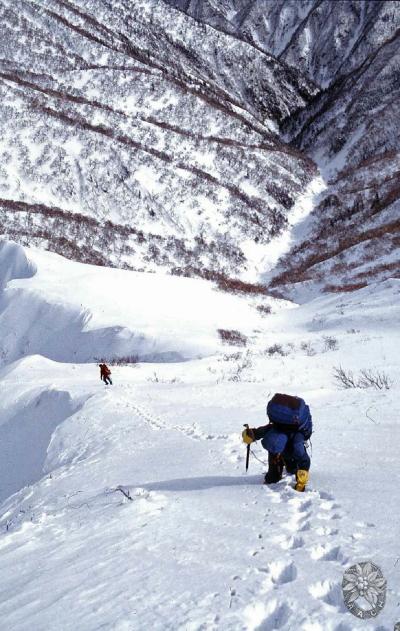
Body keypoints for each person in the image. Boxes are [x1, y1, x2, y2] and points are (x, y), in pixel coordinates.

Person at [242, 393, 312, 491]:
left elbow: (304, 461)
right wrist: (249, 435)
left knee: (292, 469)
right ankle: (274, 475)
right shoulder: (274, 430)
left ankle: (291, 468)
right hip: (281, 453)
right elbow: (260, 432)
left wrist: (301, 481)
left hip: (293, 454)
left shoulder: (297, 442)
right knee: (273, 475)